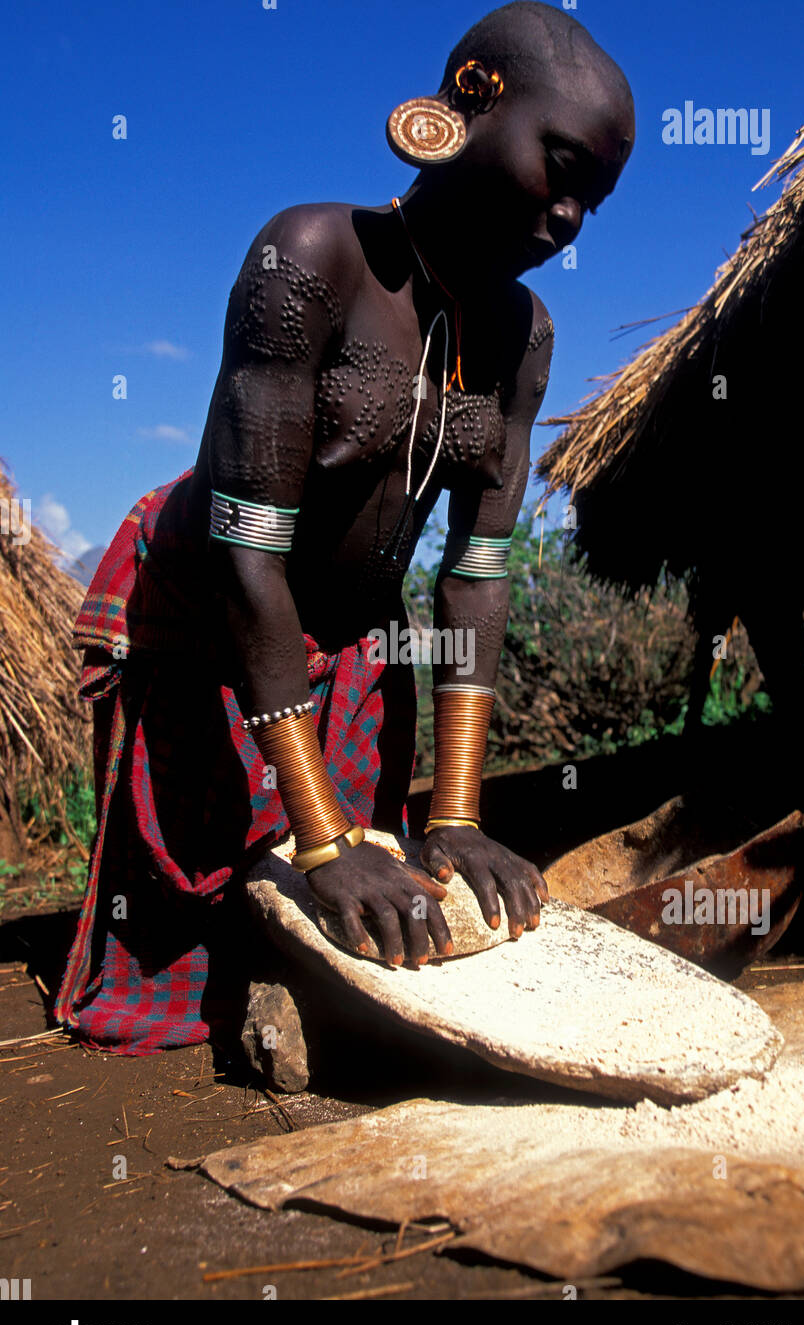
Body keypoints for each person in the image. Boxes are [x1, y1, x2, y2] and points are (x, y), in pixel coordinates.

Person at [56, 2, 635, 1080]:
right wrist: (320, 838)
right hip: (209, 605)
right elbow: (246, 549)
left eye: (591, 201)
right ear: (472, 96)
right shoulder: (311, 254)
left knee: (380, 935)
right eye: (559, 168)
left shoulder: (522, 337)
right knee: (195, 960)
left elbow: (474, 573)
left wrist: (454, 817)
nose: (565, 219)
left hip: (356, 639)